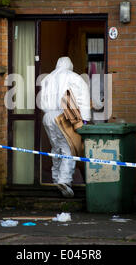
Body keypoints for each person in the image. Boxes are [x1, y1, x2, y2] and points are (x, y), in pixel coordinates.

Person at [40, 56, 91, 198]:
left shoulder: (47, 79)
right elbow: (83, 99)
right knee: (69, 149)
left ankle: (55, 178)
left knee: (56, 148)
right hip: (65, 117)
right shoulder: (75, 78)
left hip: (48, 117)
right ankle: (64, 180)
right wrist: (84, 120)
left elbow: (43, 102)